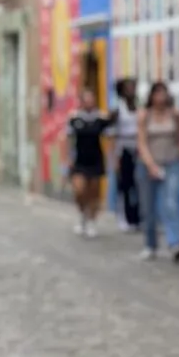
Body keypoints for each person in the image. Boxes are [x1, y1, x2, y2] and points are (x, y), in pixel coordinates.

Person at [139, 80, 179, 264]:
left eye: (163, 93)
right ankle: (150, 245)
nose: (160, 97)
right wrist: (150, 165)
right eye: (157, 94)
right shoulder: (145, 116)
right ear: (151, 97)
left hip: (171, 162)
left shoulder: (174, 115)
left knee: (171, 202)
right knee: (149, 208)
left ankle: (176, 243)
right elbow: (142, 142)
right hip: (150, 164)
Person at [67, 86, 112, 239]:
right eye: (86, 98)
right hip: (79, 160)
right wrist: (67, 158)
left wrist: (112, 158)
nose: (89, 101)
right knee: (79, 190)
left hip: (96, 160)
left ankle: (92, 221)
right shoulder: (74, 118)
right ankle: (82, 215)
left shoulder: (101, 118)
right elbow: (67, 139)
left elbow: (110, 138)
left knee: (94, 192)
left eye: (91, 98)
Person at [112, 78, 140, 232]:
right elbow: (113, 134)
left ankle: (136, 217)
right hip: (123, 150)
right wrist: (114, 157)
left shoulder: (139, 107)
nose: (131, 90)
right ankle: (122, 217)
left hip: (138, 149)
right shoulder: (118, 110)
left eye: (133, 87)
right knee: (124, 185)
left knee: (138, 185)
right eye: (128, 88)